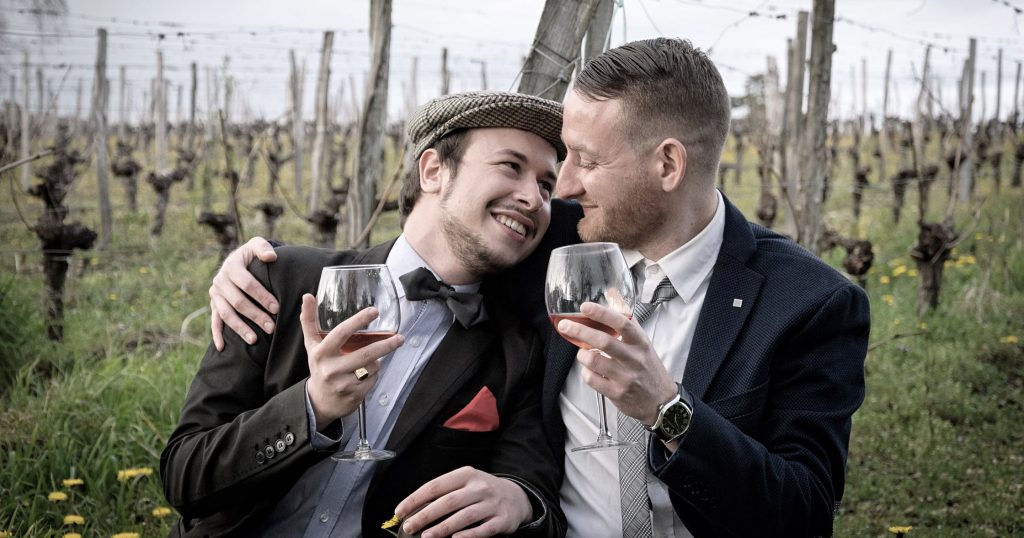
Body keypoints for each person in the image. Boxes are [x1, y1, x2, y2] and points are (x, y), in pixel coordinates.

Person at [210, 38, 870, 537]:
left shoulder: (808, 305)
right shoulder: (549, 243)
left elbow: (804, 513)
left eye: (584, 160)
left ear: (668, 163)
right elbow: (441, 238)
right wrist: (259, 263)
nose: (563, 186)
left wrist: (668, 409)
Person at [161, 91, 570, 538]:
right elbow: (185, 478)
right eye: (511, 167)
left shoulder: (518, 351)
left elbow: (535, 496)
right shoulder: (281, 282)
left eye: (547, 185)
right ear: (433, 170)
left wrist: (519, 500)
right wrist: (310, 408)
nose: (534, 198)